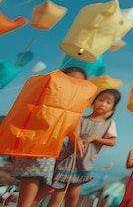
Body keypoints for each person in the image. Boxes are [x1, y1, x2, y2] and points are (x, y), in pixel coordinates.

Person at [12, 67, 88, 207]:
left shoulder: (75, 105)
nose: (73, 84)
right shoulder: (47, 93)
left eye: (79, 83)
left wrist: (75, 138)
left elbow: (74, 124)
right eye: (70, 80)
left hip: (52, 147)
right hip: (34, 140)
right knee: (31, 176)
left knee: (40, 179)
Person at [45, 88, 121, 207]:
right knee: (58, 192)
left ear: (112, 109)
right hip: (67, 161)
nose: (103, 104)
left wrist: (94, 138)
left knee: (73, 194)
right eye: (101, 100)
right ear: (93, 101)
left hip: (84, 163)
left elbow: (112, 142)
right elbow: (69, 134)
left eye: (108, 102)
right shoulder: (80, 119)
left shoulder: (109, 124)